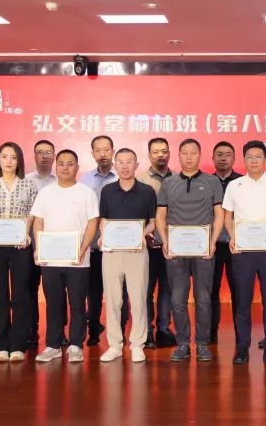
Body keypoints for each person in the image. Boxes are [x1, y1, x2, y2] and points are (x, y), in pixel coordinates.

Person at [157, 139, 225, 362]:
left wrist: (213, 242)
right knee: (178, 299)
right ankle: (183, 343)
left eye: (193, 153)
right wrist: (165, 242)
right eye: (184, 153)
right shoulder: (169, 183)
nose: (189, 157)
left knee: (203, 298)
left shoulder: (212, 182)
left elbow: (219, 214)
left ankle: (203, 343)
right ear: (178, 155)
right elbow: (160, 216)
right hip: (176, 251)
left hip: (203, 250)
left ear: (200, 155)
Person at [32, 150, 99, 364]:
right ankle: (52, 345)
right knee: (53, 303)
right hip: (50, 259)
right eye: (61, 163)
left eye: (70, 164)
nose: (65, 167)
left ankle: (76, 345)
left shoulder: (86, 193)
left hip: (78, 259)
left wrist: (83, 248)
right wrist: (39, 247)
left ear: (77, 168)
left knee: (77, 303)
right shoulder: (45, 193)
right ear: (56, 166)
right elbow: (38, 221)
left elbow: (93, 222)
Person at [223, 140, 266, 365]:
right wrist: (232, 237)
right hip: (243, 251)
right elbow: (228, 217)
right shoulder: (235, 185)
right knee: (242, 301)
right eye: (249, 157)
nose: (254, 161)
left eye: (258, 156)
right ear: (244, 159)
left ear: (265, 159)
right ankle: (242, 348)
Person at [0, 142, 38, 362]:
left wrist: (26, 234)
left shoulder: (29, 185)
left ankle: (18, 345)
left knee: (20, 295)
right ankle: (1, 345)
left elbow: (31, 214)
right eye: (4, 157)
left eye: (13, 157)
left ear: (19, 160)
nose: (9, 161)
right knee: (0, 295)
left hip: (20, 246)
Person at [98, 148, 157, 364]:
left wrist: (141, 234)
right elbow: (103, 220)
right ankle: (114, 345)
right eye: (120, 162)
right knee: (113, 299)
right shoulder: (107, 191)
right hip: (112, 251)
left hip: (137, 251)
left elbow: (153, 222)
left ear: (136, 165)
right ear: (115, 165)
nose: (124, 166)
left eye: (129, 161)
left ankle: (138, 344)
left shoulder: (147, 191)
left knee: (139, 298)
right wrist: (103, 235)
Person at [79, 135, 120, 347]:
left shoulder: (122, 175)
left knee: (119, 293)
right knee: (93, 293)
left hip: (117, 247)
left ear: (113, 151)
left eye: (106, 150)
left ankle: (119, 333)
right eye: (98, 150)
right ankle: (93, 331)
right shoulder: (85, 180)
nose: (103, 154)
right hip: (93, 246)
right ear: (92, 153)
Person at [137, 137, 176, 348]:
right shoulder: (140, 181)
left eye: (164, 151)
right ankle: (148, 331)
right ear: (149, 154)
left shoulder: (179, 179)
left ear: (169, 153)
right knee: (146, 289)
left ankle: (164, 328)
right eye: (156, 151)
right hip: (148, 244)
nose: (160, 155)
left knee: (168, 289)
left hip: (173, 244)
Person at [209, 141, 243, 344]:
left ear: (234, 158)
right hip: (211, 245)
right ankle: (211, 333)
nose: (223, 158)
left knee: (238, 290)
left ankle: (241, 334)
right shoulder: (206, 181)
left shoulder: (242, 182)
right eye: (219, 154)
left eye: (227, 154)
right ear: (212, 158)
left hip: (235, 245)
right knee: (210, 290)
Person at [25, 139, 57, 348]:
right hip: (29, 245)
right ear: (34, 155)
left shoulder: (62, 180)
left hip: (57, 245)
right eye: (40, 152)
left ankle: (58, 331)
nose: (44, 156)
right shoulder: (25, 181)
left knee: (55, 291)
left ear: (54, 156)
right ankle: (31, 331)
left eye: (48, 152)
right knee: (29, 289)